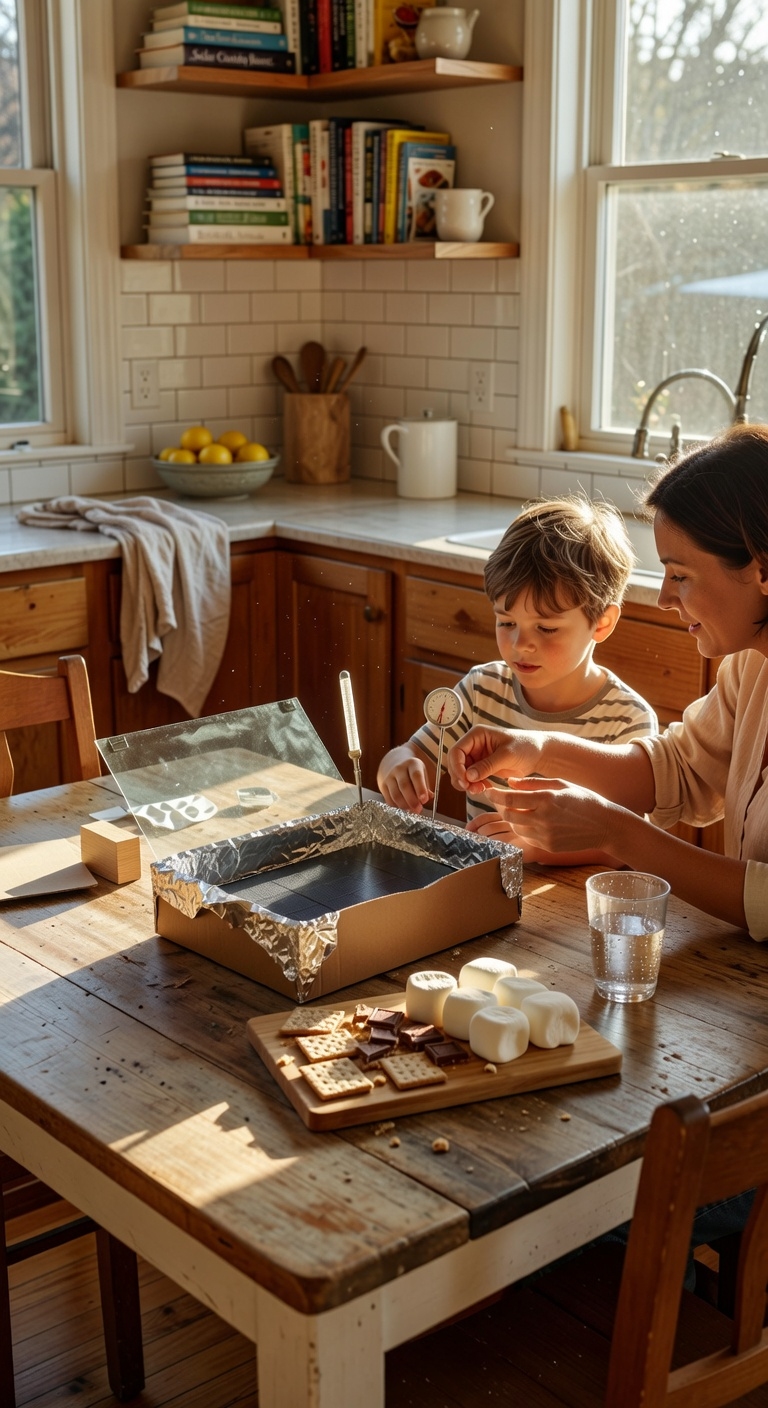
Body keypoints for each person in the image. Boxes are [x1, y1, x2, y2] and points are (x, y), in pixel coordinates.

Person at [446, 423, 768, 938]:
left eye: (680, 575)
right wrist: (538, 749)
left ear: (763, 568)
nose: (663, 597)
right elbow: (677, 769)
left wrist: (618, 833)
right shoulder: (751, 665)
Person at [377, 495, 658, 863]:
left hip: (571, 909)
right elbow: (411, 753)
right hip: (483, 887)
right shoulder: (482, 690)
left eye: (546, 628)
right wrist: (397, 769)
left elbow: (628, 844)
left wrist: (538, 847)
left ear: (601, 623)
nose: (520, 644)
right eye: (506, 622)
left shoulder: (626, 721)